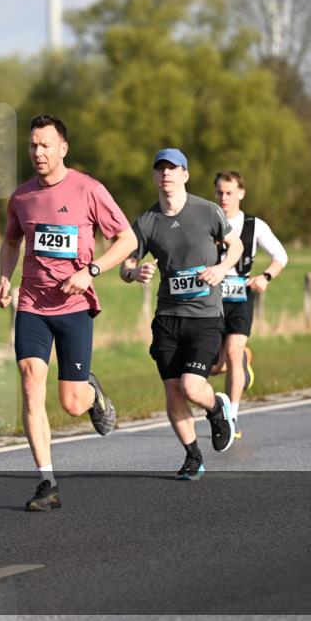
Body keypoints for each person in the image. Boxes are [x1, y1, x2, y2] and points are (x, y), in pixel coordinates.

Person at [0, 114, 138, 511]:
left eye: (45, 145)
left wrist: (91, 271)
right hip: (32, 305)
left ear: (63, 148)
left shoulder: (89, 190)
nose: (37, 152)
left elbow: (126, 238)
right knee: (29, 382)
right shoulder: (21, 197)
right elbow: (10, 242)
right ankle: (47, 482)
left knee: (71, 403)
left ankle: (93, 394)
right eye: (32, 146)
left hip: (74, 306)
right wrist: (5, 278)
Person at [120, 148, 243, 480]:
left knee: (191, 386)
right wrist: (134, 274)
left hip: (204, 315)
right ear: (154, 177)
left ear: (185, 175)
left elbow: (237, 246)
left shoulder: (207, 211)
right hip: (168, 317)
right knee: (173, 389)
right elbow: (126, 263)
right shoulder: (147, 221)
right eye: (160, 170)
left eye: (173, 169)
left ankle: (217, 408)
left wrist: (221, 268)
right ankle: (193, 456)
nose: (166, 175)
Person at [208, 170, 288, 439]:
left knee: (233, 349)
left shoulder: (254, 225)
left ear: (241, 193)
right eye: (219, 192)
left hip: (241, 295)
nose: (223, 198)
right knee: (212, 367)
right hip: (211, 298)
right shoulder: (206, 221)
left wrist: (265, 277)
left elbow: (281, 256)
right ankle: (241, 362)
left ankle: (231, 418)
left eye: (229, 192)